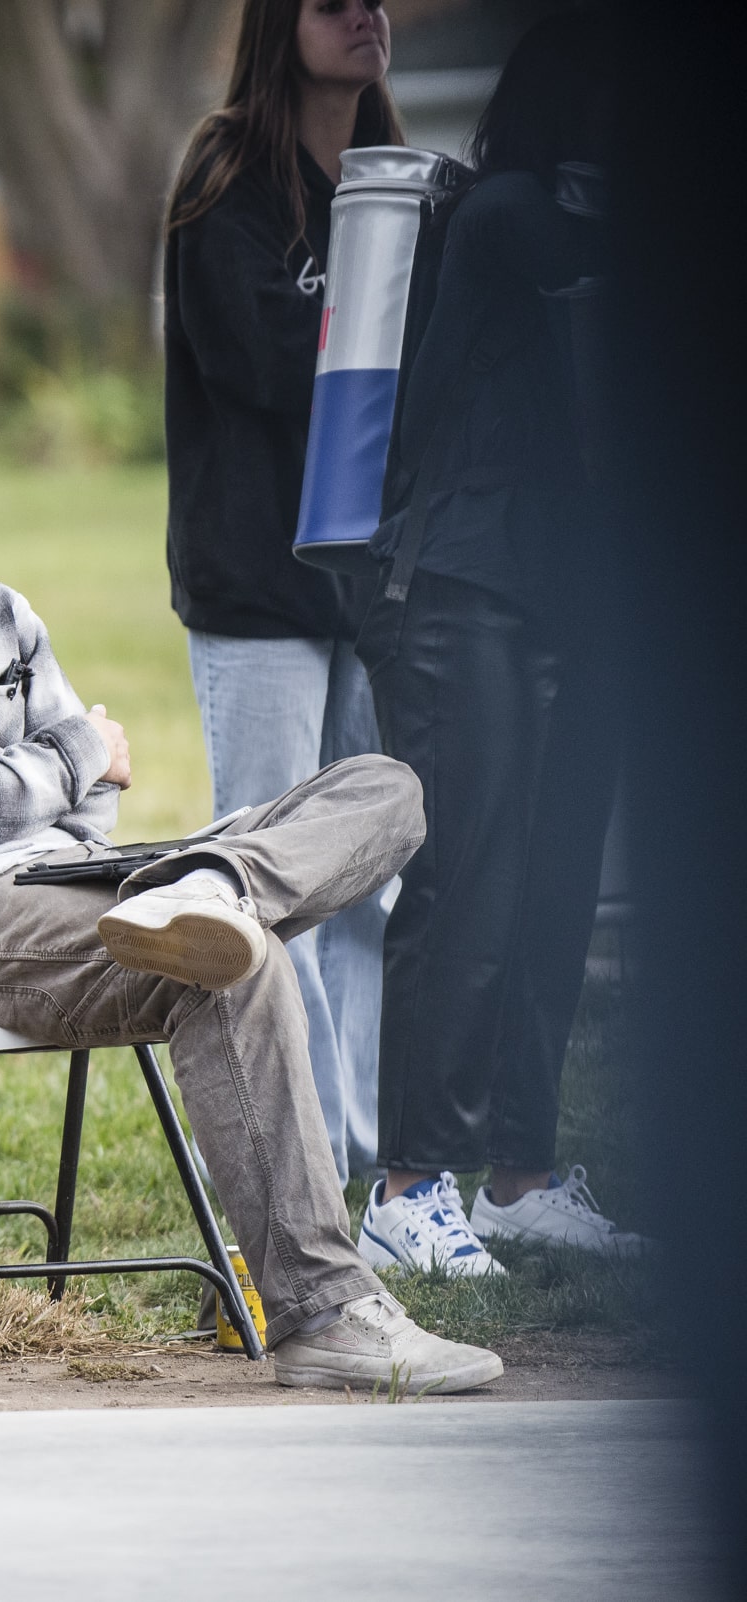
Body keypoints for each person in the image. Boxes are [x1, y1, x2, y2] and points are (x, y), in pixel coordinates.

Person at [0, 370, 500, 1393]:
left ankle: (217, 889)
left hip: (85, 879)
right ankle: (327, 1317)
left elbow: (78, 816)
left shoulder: (1, 616)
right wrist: (72, 753)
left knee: (386, 788)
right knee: (235, 966)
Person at [354, 13, 645, 1271]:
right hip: (462, 585)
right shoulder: (509, 212)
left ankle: (521, 1178)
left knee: (553, 890)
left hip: (576, 591)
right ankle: (408, 1185)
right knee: (466, 882)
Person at [161, 0, 404, 1184]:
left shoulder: (398, 180)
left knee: (369, 880)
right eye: (332, 1)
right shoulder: (225, 177)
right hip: (255, 579)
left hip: (377, 582)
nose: (367, 16)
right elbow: (258, 366)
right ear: (278, 25)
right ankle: (280, 1160)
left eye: (376, 0)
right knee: (267, 875)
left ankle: (354, 1155)